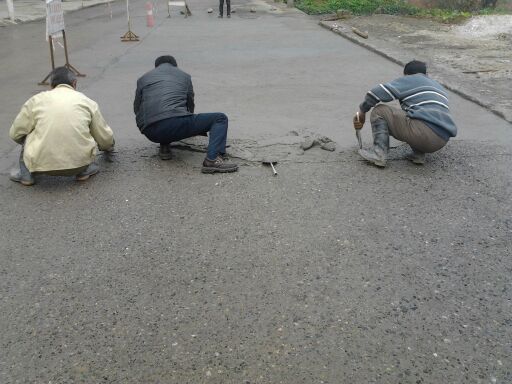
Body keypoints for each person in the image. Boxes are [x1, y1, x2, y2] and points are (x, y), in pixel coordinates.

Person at [9, 67, 115, 186]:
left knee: (27, 131)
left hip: (40, 164)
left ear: (51, 85)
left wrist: (28, 142)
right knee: (85, 129)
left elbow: (15, 133)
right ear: (74, 83)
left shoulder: (36, 100)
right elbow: (104, 137)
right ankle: (83, 171)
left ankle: (26, 175)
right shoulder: (86, 101)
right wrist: (108, 147)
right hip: (79, 163)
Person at [134, 55, 238, 173]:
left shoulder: (143, 79)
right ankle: (213, 159)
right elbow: (190, 104)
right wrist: (190, 128)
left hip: (149, 131)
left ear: (156, 67)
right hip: (173, 124)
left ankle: (164, 148)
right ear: (175, 66)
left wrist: (145, 126)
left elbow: (137, 108)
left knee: (163, 118)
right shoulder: (184, 76)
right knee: (220, 118)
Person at [353, 60, 457, 167]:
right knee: (414, 113)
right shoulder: (438, 87)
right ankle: (418, 155)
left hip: (422, 133)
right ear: (426, 74)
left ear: (406, 74)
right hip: (441, 140)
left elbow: (376, 93)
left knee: (379, 111)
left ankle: (378, 155)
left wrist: (362, 111)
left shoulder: (411, 80)